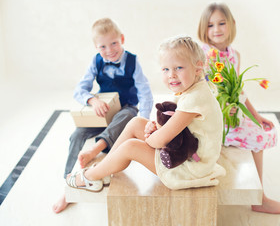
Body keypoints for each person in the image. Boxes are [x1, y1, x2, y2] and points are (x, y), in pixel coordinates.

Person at [62, 35, 226, 201]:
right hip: (185, 149)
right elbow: (170, 123)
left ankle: (89, 177)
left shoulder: (195, 98)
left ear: (198, 68)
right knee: (136, 123)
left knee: (131, 147)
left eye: (179, 68)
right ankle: (105, 167)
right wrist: (153, 128)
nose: (171, 75)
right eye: (166, 69)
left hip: (191, 168)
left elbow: (159, 140)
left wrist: (151, 136)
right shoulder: (192, 90)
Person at [52, 18, 153, 213]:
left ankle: (97, 148)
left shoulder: (132, 61)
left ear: (122, 39)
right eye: (103, 46)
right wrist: (92, 101)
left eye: (114, 43)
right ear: (96, 47)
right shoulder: (96, 61)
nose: (110, 50)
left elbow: (145, 93)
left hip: (126, 108)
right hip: (105, 109)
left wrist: (144, 121)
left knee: (127, 117)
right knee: (77, 134)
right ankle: (69, 184)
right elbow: (80, 89)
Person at [198, 2, 280, 214]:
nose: (217, 29)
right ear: (204, 28)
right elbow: (202, 91)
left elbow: (238, 90)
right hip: (211, 117)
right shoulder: (204, 55)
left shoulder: (234, 55)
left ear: (232, 24)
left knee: (260, 131)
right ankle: (256, 197)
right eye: (210, 25)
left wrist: (256, 115)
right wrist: (221, 109)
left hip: (231, 115)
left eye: (222, 23)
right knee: (249, 139)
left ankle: (258, 196)